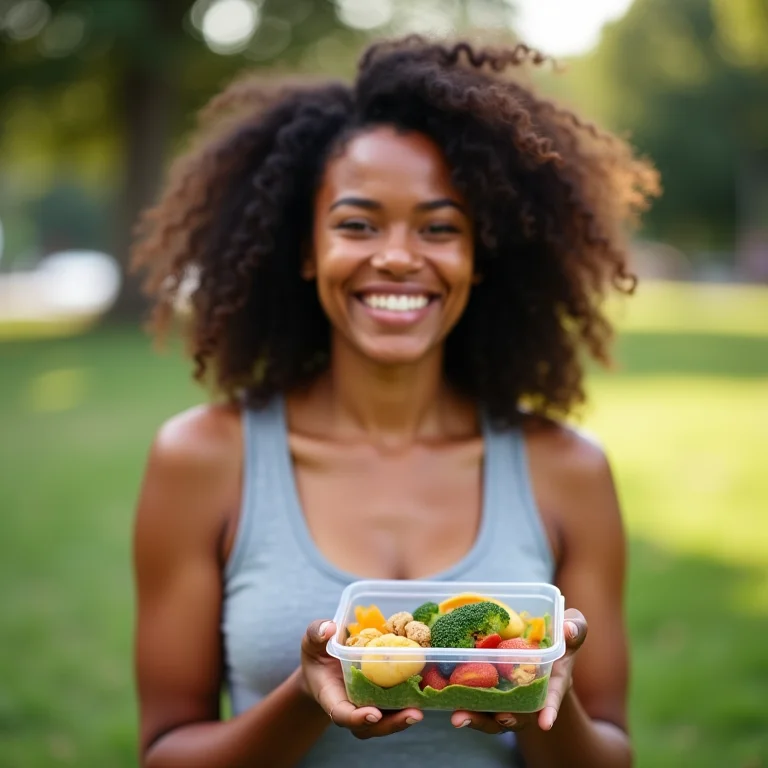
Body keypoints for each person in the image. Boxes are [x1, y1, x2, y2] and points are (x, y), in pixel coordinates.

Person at [130, 36, 658, 768]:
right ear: (307, 249)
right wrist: (308, 699)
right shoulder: (202, 460)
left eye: (440, 227)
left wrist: (542, 697)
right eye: (358, 223)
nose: (400, 256)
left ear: (478, 258)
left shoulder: (567, 469)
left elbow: (609, 754)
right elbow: (164, 752)